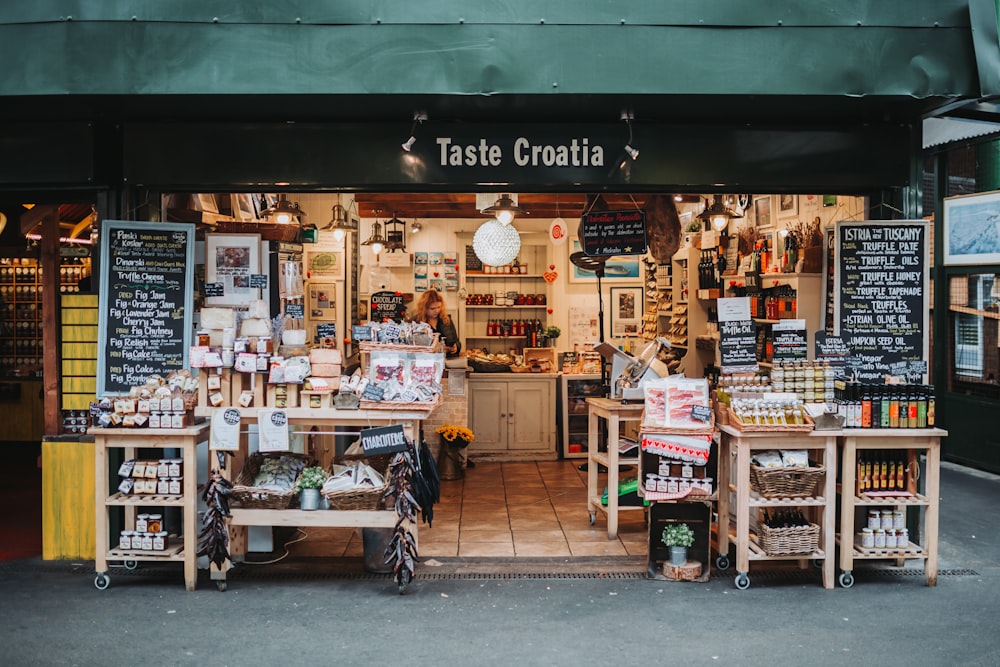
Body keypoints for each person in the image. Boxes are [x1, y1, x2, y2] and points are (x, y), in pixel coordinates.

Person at [412, 289, 461, 358]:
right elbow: (412, 347)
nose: (436, 311)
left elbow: (456, 341)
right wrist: (437, 348)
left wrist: (456, 347)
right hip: (425, 360)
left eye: (439, 307)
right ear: (424, 308)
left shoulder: (446, 320)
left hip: (447, 359)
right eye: (432, 308)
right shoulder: (416, 322)